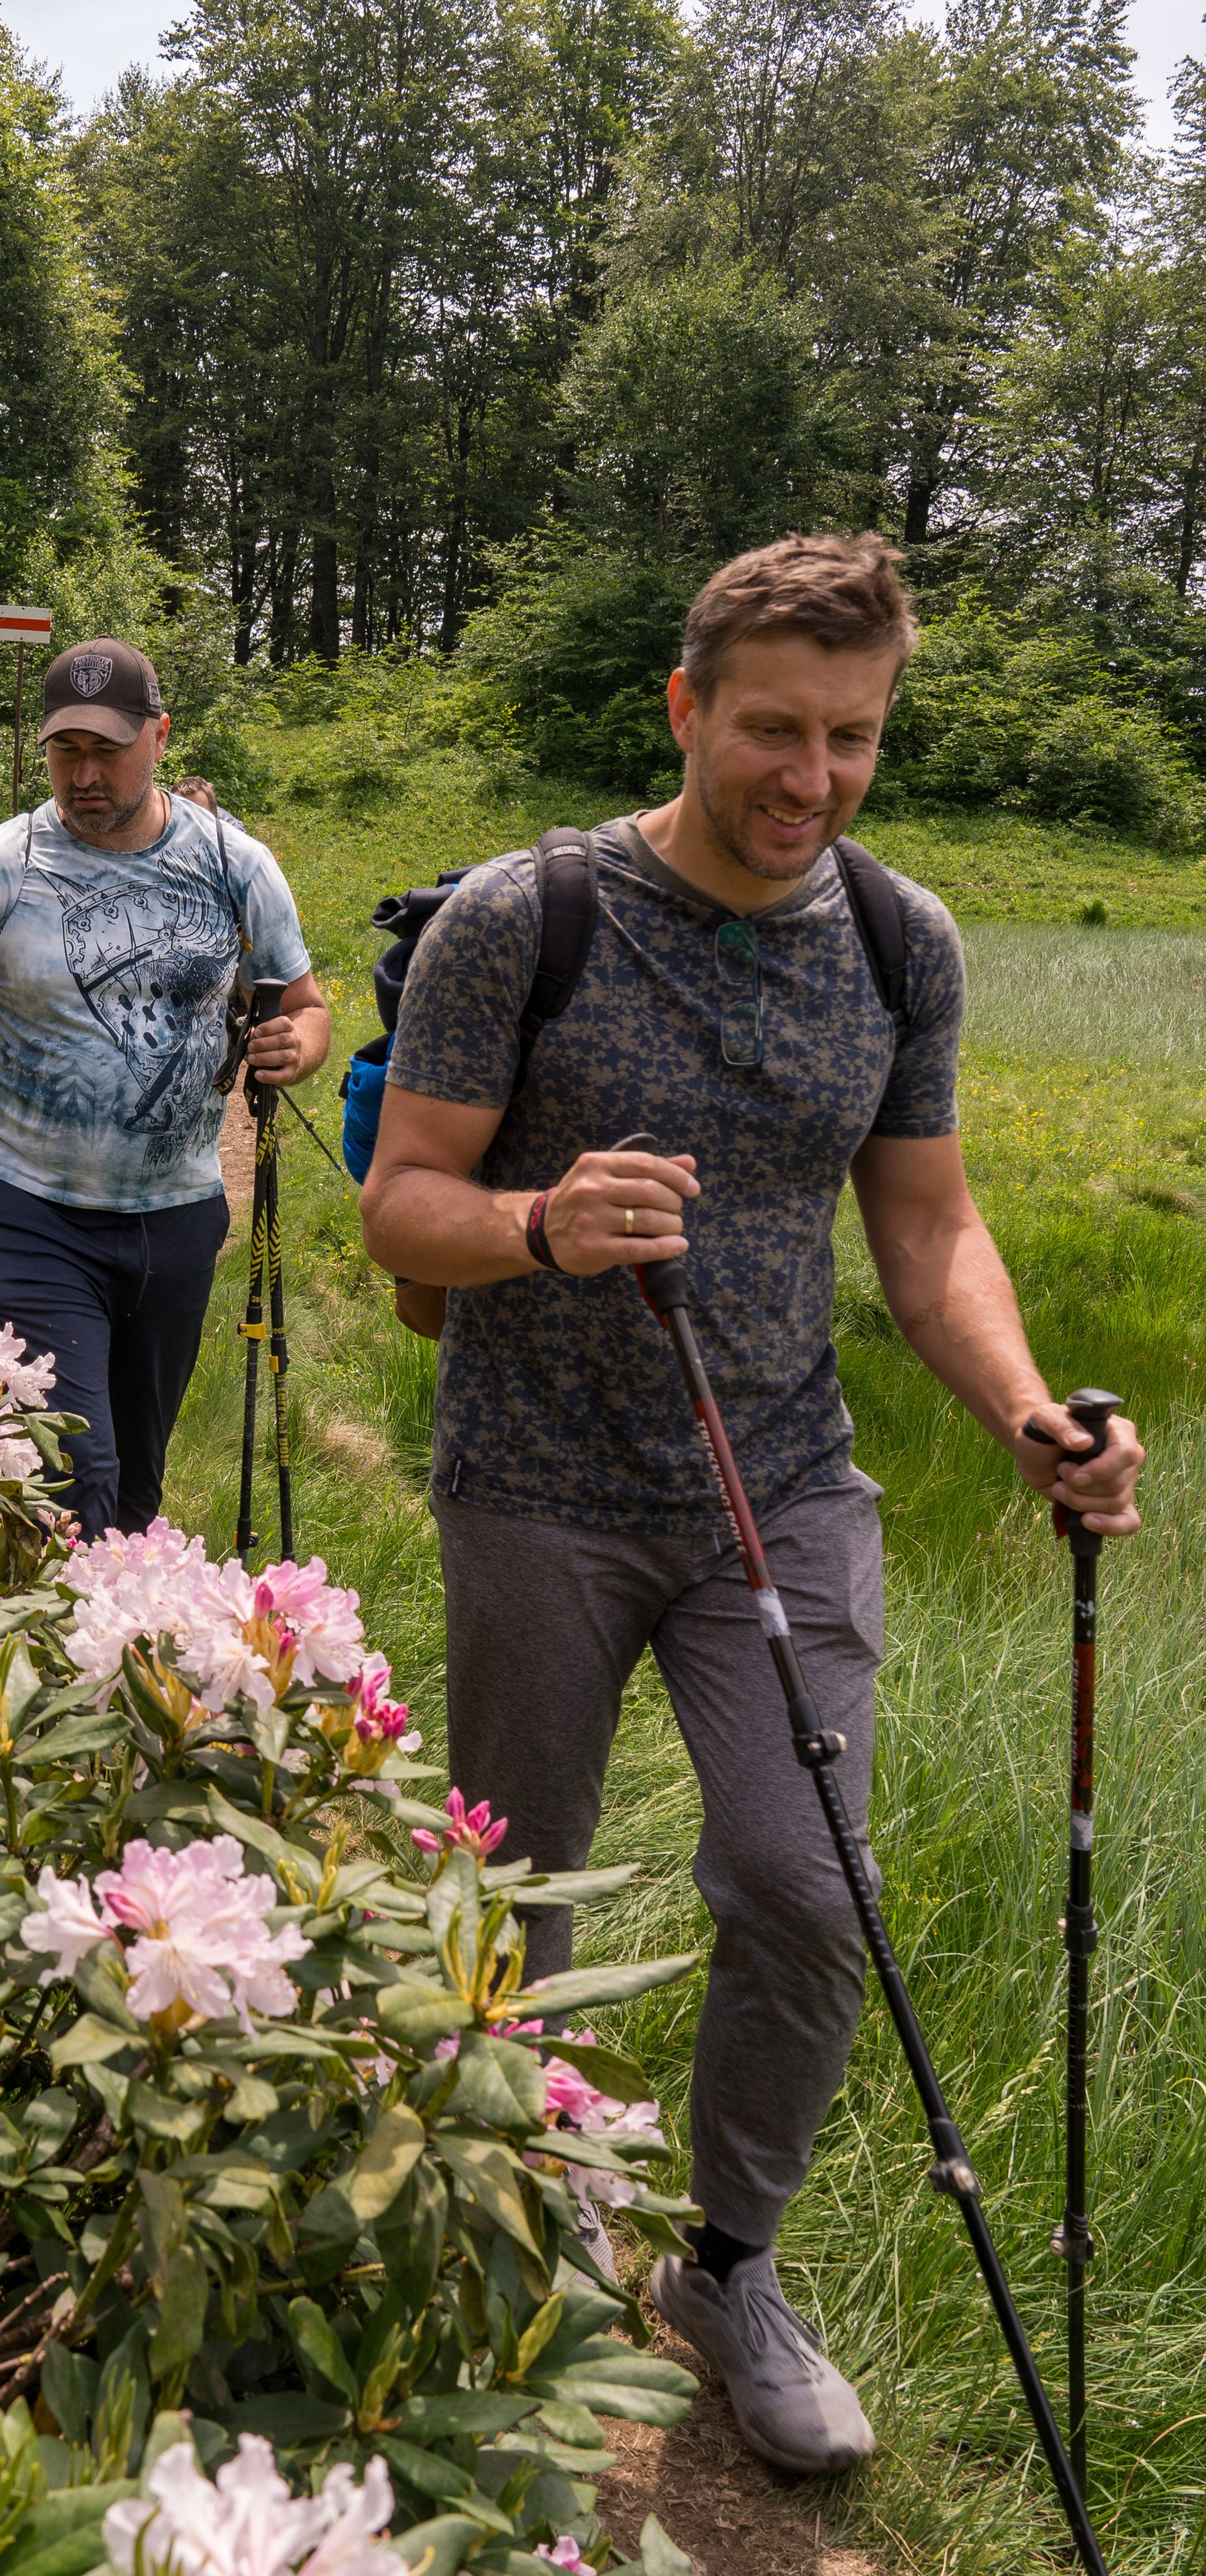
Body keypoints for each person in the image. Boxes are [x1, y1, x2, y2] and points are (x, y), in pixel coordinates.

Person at [358, 534, 1144, 2476]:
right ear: (691, 709)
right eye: (775, 730)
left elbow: (932, 1228)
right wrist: (538, 1223)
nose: (812, 776)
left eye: (854, 738)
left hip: (777, 1488)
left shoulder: (902, 942)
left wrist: (1038, 1412)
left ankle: (727, 2266)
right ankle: (498, 2238)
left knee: (812, 1891)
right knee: (516, 1899)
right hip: (533, 1487)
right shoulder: (518, 919)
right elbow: (404, 1204)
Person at [0, 637, 330, 1541]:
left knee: (135, 1490)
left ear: (159, 737)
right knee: (76, 1469)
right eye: (66, 750)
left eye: (108, 749)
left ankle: (95, 1656)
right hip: (24, 1205)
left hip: (178, 1214)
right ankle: (24, 1657)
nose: (85, 774)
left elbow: (307, 1006)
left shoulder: (236, 864)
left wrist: (293, 1048)